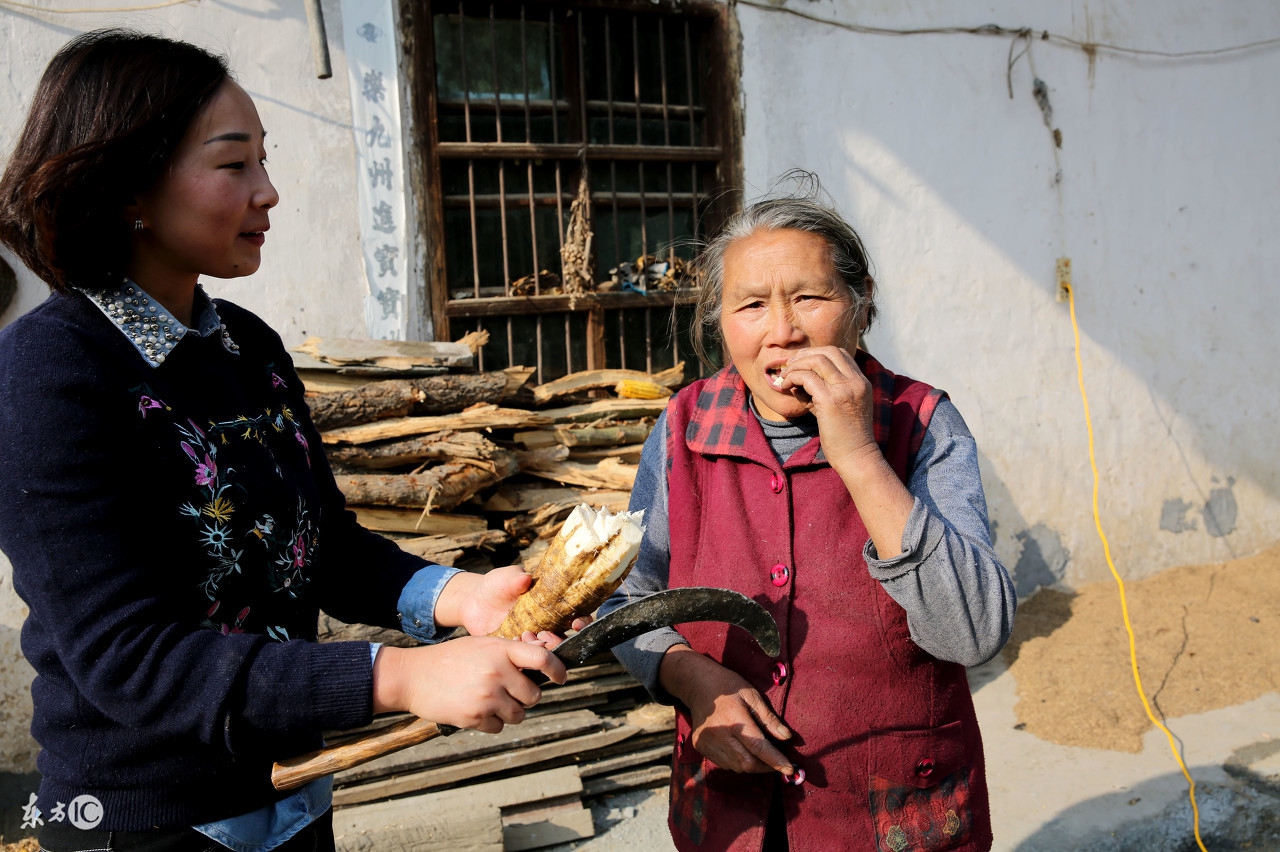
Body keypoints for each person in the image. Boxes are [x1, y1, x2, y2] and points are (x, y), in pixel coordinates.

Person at [0, 29, 579, 852]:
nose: (268, 192)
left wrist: (459, 596)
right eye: (234, 164)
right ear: (127, 185)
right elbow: (128, 657)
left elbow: (321, 545)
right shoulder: (46, 372)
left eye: (263, 161)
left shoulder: (248, 347)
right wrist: (400, 676)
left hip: (291, 792)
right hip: (146, 822)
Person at [602, 175, 1017, 852]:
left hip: (892, 817)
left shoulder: (921, 423)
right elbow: (626, 600)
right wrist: (692, 678)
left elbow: (973, 632)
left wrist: (857, 452)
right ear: (720, 319)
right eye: (751, 305)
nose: (783, 333)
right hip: (729, 814)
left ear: (861, 305)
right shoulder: (684, 427)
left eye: (810, 299)